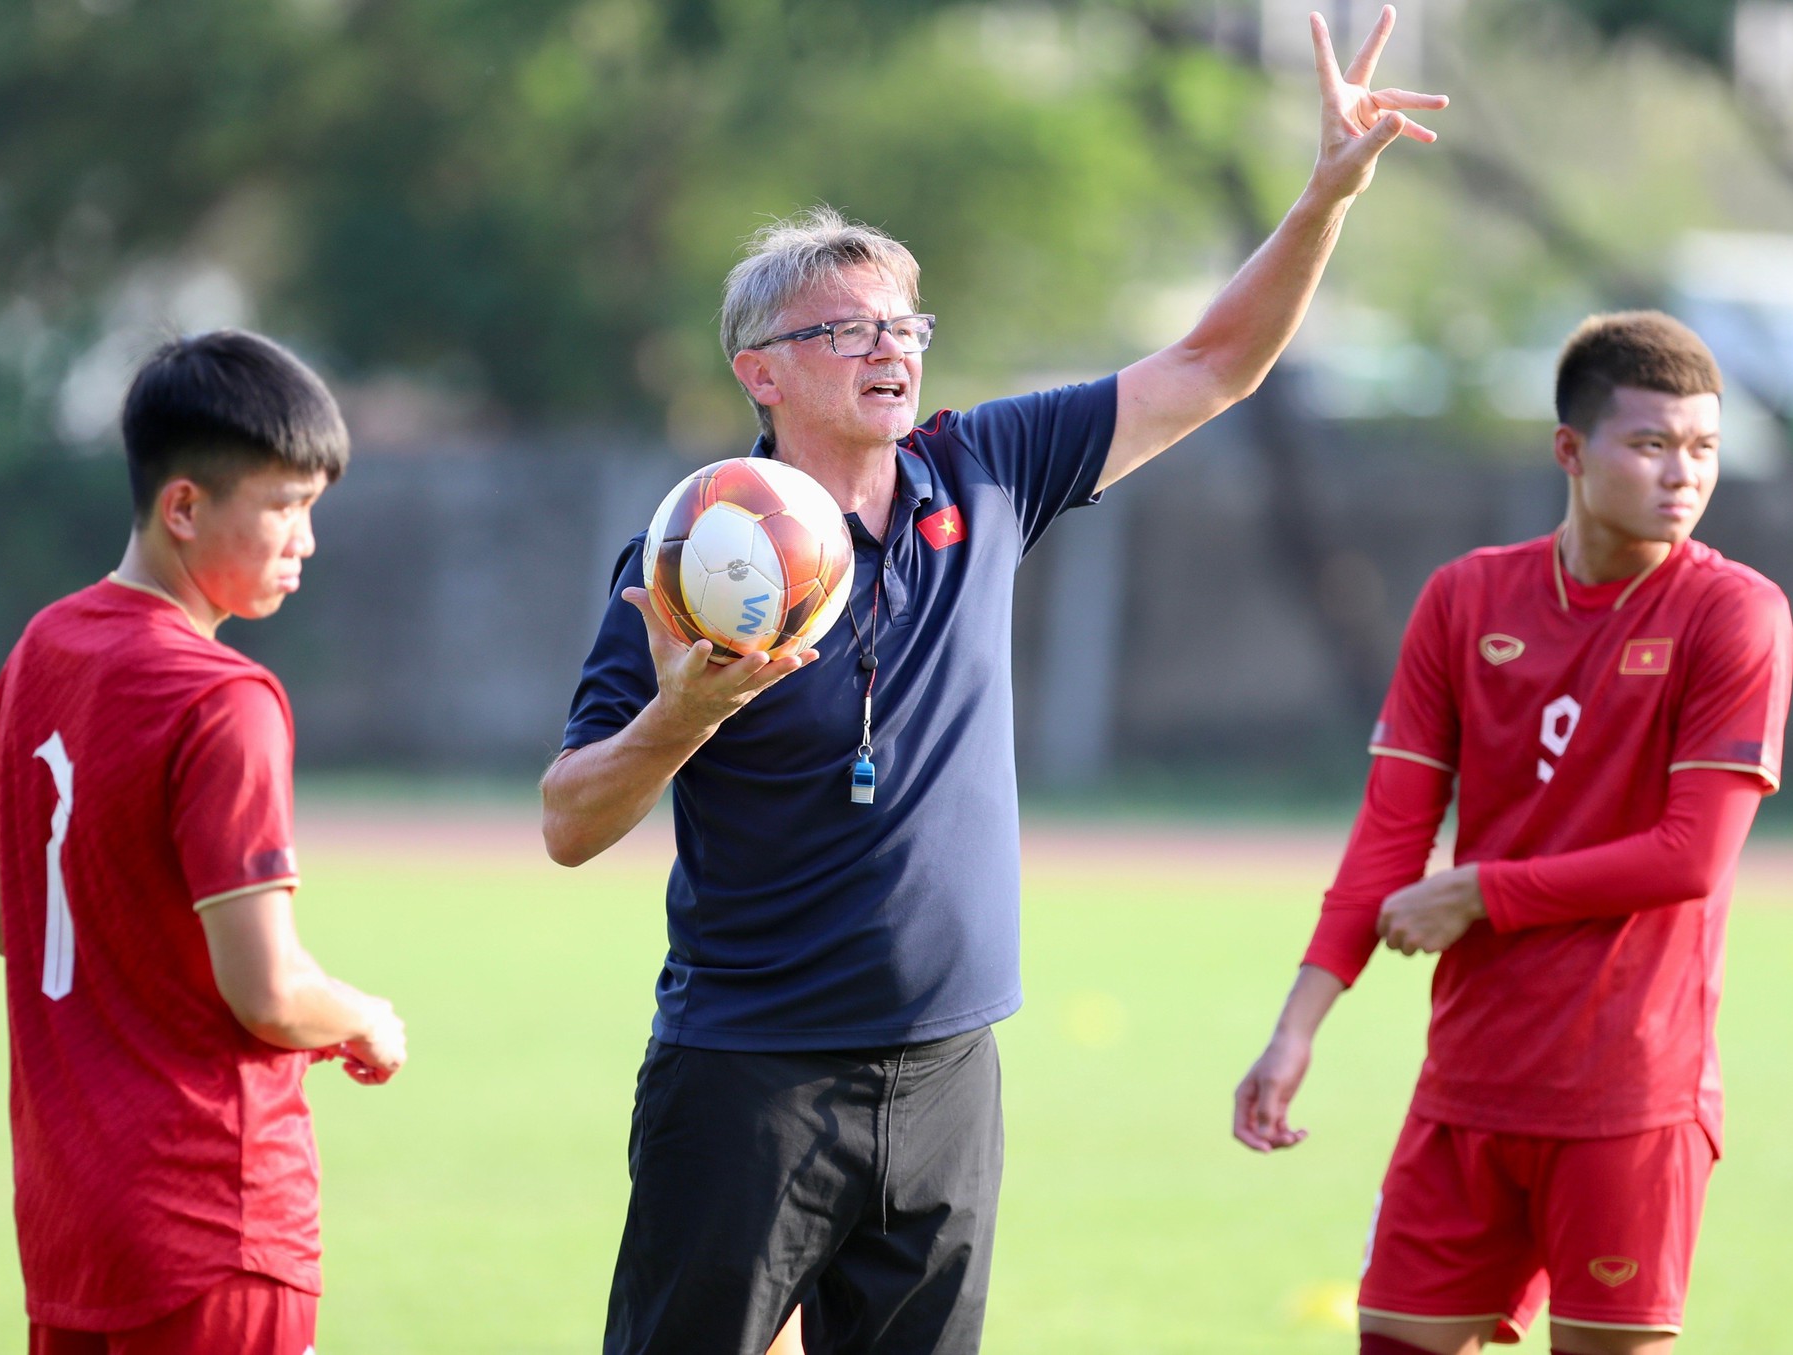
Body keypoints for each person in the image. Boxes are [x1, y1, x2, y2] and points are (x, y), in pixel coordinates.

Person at [540, 9, 1445, 1353]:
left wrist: (1325, 192)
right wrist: (681, 714)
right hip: (749, 1075)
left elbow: (1211, 364)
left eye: (905, 319)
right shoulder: (697, 546)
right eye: (847, 329)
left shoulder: (985, 469)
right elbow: (568, 820)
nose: (892, 345)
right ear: (761, 370)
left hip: (953, 1066)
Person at [1232, 312, 1793, 1355]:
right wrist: (1296, 1023)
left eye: (1702, 448)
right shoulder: (1465, 596)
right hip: (1466, 1083)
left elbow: (1691, 855)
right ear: (1568, 451)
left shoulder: (1734, 614)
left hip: (1629, 1095)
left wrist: (1479, 889)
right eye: (1650, 443)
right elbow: (1388, 835)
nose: (1683, 474)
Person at [0, 330, 408, 1355]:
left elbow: (8, 920)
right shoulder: (224, 699)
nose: (306, 537)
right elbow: (264, 990)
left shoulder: (41, 647)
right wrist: (363, 1015)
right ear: (183, 506)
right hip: (214, 1223)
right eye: (285, 505)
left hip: (71, 1223)